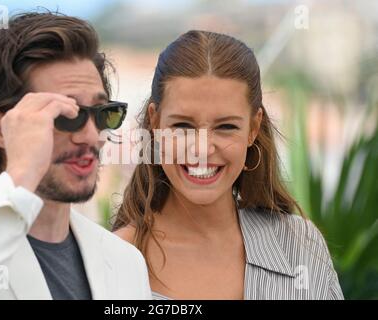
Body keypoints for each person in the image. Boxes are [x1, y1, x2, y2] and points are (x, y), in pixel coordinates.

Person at [0, 12, 151, 300]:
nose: (91, 135)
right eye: (63, 114)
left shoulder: (124, 261)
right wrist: (20, 176)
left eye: (103, 113)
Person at [113, 30, 344, 300]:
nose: (202, 149)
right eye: (183, 126)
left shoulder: (300, 244)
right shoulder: (113, 261)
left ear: (253, 128)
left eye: (226, 127)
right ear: (155, 123)